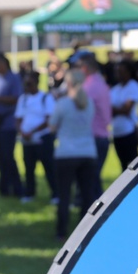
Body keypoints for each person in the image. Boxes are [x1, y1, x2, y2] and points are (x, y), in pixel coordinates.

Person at [49, 69, 97, 241]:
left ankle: (61, 232)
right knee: (87, 195)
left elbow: (52, 126)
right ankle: (85, 234)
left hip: (66, 153)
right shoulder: (89, 102)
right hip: (87, 152)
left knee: (64, 195)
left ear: (68, 83)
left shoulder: (62, 104)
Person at [14, 71, 57, 205]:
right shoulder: (23, 99)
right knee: (28, 168)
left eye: (29, 83)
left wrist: (32, 131)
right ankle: (29, 192)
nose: (27, 86)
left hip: (42, 138)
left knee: (49, 167)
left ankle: (56, 193)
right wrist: (22, 132)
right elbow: (18, 118)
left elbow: (49, 119)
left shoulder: (45, 98)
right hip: (27, 140)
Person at [0, 52, 25, 197]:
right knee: (0, 156)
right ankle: (4, 187)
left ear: (5, 63)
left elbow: (17, 98)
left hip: (7, 124)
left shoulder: (13, 78)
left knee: (8, 156)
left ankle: (17, 188)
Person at [74, 51, 111, 196]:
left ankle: (97, 212)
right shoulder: (98, 82)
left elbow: (76, 108)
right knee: (92, 178)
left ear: (84, 68)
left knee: (91, 179)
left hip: (94, 137)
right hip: (100, 135)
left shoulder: (90, 87)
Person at [110, 59, 138, 171]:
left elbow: (127, 109)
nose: (118, 74)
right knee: (123, 165)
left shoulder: (133, 86)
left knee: (134, 163)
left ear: (128, 72)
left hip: (128, 130)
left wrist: (114, 110)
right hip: (116, 131)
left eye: (120, 71)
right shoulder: (115, 89)